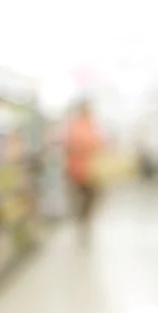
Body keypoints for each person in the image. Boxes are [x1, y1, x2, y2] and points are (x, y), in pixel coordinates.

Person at [66, 100, 104, 239]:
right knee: (83, 194)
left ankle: (84, 218)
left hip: (91, 168)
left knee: (91, 195)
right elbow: (72, 144)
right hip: (78, 168)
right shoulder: (75, 126)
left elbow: (99, 143)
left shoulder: (92, 125)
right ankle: (81, 218)